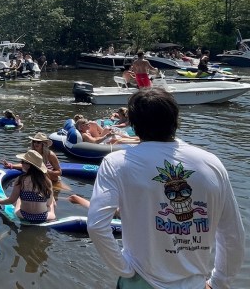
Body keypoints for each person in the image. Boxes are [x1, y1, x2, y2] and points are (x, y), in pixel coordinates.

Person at [87, 88, 245, 289]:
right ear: (176, 120)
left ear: (133, 125)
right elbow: (233, 236)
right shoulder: (212, 164)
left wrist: (123, 269)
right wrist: (219, 282)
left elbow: (96, 225)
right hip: (194, 283)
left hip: (140, 281)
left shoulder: (115, 163)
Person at [0, 150, 56, 223]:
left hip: (24, 215)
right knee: (52, 201)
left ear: (29, 165)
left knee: (18, 199)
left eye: (22, 162)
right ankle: (51, 216)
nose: (21, 164)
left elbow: (11, 200)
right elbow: (49, 204)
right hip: (42, 217)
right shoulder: (47, 181)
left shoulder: (21, 179)